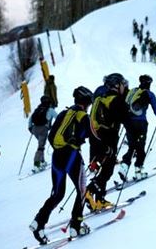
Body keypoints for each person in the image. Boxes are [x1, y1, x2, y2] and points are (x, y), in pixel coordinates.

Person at [29, 86, 94, 245]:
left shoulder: (64, 113)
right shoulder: (82, 115)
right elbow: (91, 134)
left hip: (57, 156)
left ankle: (38, 222)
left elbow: (51, 136)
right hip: (72, 156)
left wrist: (61, 147)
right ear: (86, 103)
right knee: (81, 190)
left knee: (57, 194)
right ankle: (76, 225)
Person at [85, 73, 129, 211]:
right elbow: (125, 116)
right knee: (108, 169)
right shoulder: (114, 100)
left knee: (105, 167)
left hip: (97, 136)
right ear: (117, 85)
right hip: (106, 136)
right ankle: (89, 191)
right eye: (122, 84)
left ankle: (99, 199)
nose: (124, 86)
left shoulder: (101, 97)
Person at [118, 75, 156, 181]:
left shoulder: (132, 91)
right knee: (140, 146)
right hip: (141, 123)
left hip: (128, 122)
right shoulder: (149, 94)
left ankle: (124, 167)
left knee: (132, 146)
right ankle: (138, 170)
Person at [28, 96, 57, 172]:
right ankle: (36, 164)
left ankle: (42, 161)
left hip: (34, 129)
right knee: (41, 146)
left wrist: (31, 128)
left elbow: (30, 119)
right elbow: (58, 118)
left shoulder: (38, 109)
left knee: (41, 144)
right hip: (43, 129)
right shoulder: (50, 110)